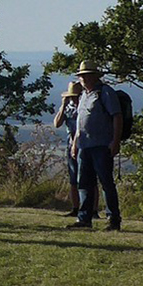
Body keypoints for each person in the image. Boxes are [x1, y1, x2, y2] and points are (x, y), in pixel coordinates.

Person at [68, 64, 125, 231]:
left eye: (86, 75)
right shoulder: (84, 95)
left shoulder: (105, 92)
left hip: (101, 146)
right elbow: (80, 122)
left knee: (106, 182)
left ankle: (113, 218)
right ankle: (84, 218)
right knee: (84, 183)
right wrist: (75, 143)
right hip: (85, 146)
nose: (83, 78)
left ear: (95, 76)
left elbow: (117, 117)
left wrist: (115, 141)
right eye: (81, 76)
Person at [52, 80, 84, 215]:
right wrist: (63, 105)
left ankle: (91, 209)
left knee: (87, 179)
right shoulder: (68, 107)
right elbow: (57, 123)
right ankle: (76, 208)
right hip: (70, 145)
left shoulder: (84, 106)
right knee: (73, 178)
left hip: (85, 145)